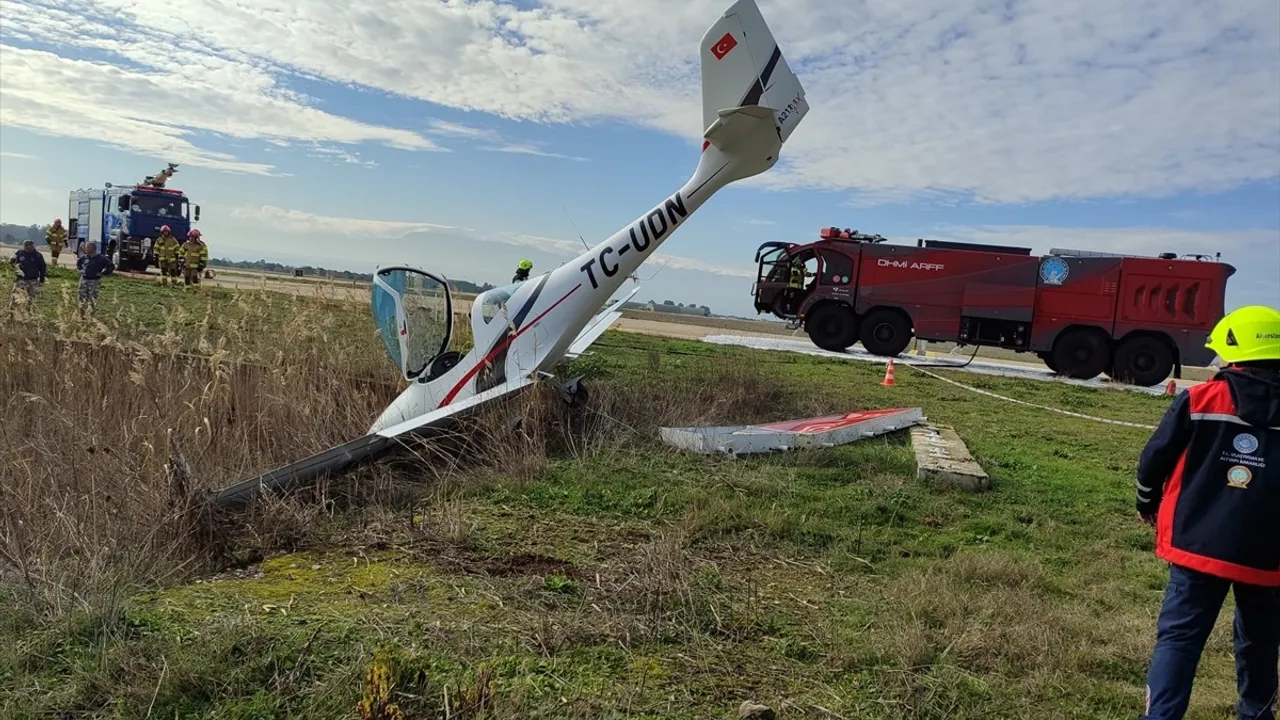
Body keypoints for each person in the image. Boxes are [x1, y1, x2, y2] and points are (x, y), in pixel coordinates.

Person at [1136, 304, 1280, 720]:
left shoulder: (1201, 398)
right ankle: (1256, 714)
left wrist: (1146, 500)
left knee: (1179, 639)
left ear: (1235, 353)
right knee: (1261, 639)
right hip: (1267, 554)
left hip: (1196, 542)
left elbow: (1154, 459)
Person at [75, 242, 114, 316]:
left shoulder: (101, 258)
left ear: (92, 248)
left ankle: (91, 316)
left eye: (87, 247)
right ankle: (82, 316)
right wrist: (81, 270)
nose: (85, 249)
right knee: (81, 298)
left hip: (94, 281)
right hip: (84, 280)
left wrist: (103, 273)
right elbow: (78, 263)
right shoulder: (84, 257)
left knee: (92, 300)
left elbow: (111, 266)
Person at [9, 240, 47, 313]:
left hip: (32, 280)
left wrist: (41, 279)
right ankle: (11, 315)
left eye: (29, 246)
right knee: (15, 298)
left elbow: (43, 268)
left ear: (33, 246)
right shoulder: (20, 253)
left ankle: (28, 315)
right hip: (20, 280)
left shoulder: (38, 255)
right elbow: (12, 262)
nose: (27, 247)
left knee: (30, 300)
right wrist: (13, 262)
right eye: (26, 246)